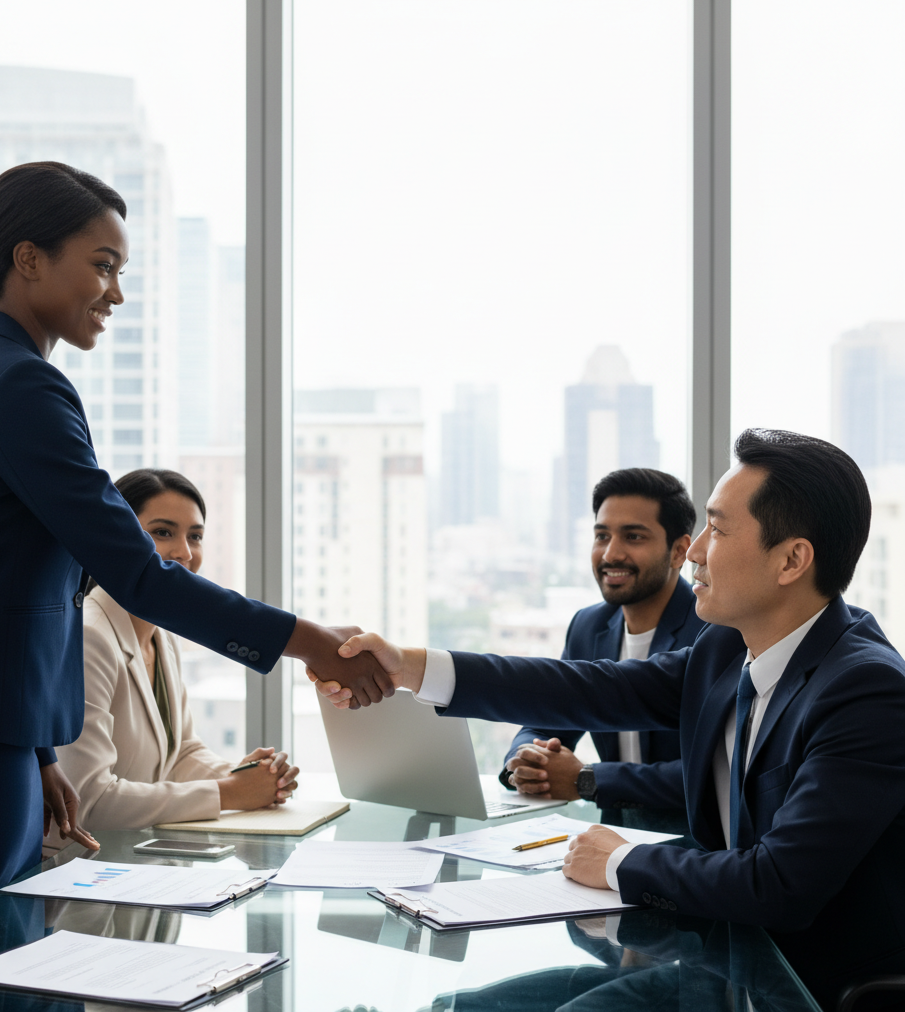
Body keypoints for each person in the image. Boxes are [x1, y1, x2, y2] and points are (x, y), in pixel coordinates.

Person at [0, 161, 391, 956]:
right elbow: (139, 575)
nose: (115, 292)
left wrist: (36, 748)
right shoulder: (19, 385)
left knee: (0, 967)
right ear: (29, 260)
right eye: (103, 265)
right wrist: (312, 643)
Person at [316, 429, 905, 1007]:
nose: (695, 550)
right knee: (468, 1005)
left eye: (718, 529)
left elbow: (780, 886)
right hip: (718, 956)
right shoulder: (725, 649)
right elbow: (588, 687)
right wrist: (411, 668)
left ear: (792, 559)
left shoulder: (864, 689)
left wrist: (620, 859)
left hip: (802, 985)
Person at [47, 469, 298, 850]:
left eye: (195, 536)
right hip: (76, 869)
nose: (184, 552)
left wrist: (248, 777)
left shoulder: (161, 635)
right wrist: (229, 792)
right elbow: (89, 801)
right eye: (163, 532)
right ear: (119, 539)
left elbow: (179, 752)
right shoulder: (90, 637)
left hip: (135, 863)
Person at [502, 468, 703, 835]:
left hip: (700, 847)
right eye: (602, 536)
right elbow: (545, 717)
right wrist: (525, 761)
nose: (611, 553)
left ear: (679, 552)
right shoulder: (589, 626)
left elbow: (713, 773)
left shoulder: (713, 632)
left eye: (633, 536)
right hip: (613, 839)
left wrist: (587, 779)